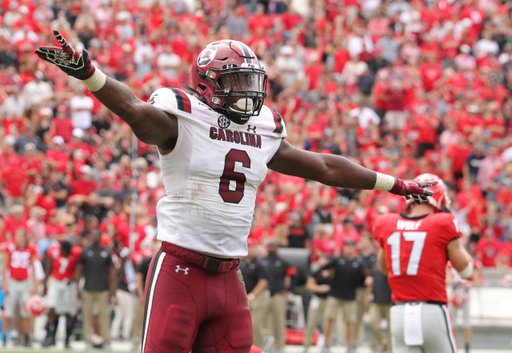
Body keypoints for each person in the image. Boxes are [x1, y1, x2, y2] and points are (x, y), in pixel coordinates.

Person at [36, 33, 436, 353]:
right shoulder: (184, 114)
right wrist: (90, 74)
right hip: (181, 268)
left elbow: (326, 167)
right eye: (237, 80)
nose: (249, 90)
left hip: (230, 276)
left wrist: (396, 185)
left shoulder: (263, 126)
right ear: (208, 84)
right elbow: (137, 113)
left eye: (251, 80)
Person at [372, 174, 474, 353]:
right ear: (440, 198)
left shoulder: (386, 222)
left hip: (399, 313)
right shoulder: (443, 222)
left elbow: (384, 268)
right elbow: (466, 270)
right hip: (432, 310)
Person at [319, 239, 366, 353]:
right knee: (329, 319)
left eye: (351, 246)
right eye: (346, 246)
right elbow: (324, 269)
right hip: (334, 295)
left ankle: (350, 346)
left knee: (350, 322)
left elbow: (363, 281)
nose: (348, 249)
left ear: (354, 248)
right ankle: (326, 344)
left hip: (350, 297)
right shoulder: (337, 260)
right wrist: (322, 264)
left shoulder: (358, 263)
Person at [75, 229, 116, 351]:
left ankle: (106, 341)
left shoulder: (106, 252)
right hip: (87, 288)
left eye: (97, 235)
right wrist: (78, 286)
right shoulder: (85, 252)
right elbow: (79, 269)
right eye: (92, 235)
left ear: (100, 237)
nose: (95, 237)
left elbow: (111, 272)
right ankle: (88, 341)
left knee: (104, 316)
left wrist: (112, 290)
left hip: (103, 289)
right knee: (87, 316)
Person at [1, 228, 38, 347]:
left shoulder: (31, 249)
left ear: (26, 237)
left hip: (25, 282)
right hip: (12, 281)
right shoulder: (9, 248)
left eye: (22, 236)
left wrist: (34, 285)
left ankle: (26, 338)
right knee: (8, 312)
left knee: (25, 312)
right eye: (18, 236)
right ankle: (5, 338)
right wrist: (5, 283)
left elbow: (33, 268)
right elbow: (5, 267)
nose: (20, 239)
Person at [43, 240, 82, 348]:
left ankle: (67, 340)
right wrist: (45, 284)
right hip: (56, 281)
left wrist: (74, 280)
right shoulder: (54, 252)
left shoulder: (76, 253)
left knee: (69, 312)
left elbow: (79, 269)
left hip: (70, 284)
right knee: (52, 309)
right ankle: (49, 337)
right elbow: (49, 267)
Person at [261, 239, 296, 352]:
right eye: (270, 246)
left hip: (278, 294)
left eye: (274, 246)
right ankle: (266, 343)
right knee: (263, 320)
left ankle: (279, 345)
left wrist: (287, 290)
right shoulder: (262, 261)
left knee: (279, 320)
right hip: (265, 294)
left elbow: (291, 276)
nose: (272, 248)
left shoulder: (283, 262)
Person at [446, 260, 483, 353]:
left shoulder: (471, 263)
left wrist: (466, 285)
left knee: (466, 322)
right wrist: (457, 283)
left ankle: (467, 347)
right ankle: (453, 345)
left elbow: (476, 281)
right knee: (452, 321)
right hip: (454, 293)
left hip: (465, 294)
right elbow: (446, 278)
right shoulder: (451, 264)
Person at [239, 239, 269, 350]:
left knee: (255, 323)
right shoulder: (241, 263)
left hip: (258, 296)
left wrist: (252, 295)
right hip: (244, 296)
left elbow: (263, 282)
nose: (248, 249)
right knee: (244, 324)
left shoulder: (259, 263)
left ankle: (259, 348)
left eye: (250, 246)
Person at [303, 256, 332, 353]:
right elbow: (309, 284)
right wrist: (319, 288)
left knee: (328, 322)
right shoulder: (317, 272)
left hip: (329, 300)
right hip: (317, 299)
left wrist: (329, 288)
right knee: (311, 322)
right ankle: (306, 345)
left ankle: (327, 345)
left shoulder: (332, 273)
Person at [366, 262, 393, 353]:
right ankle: (380, 345)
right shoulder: (375, 264)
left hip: (390, 301)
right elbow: (372, 282)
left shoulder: (393, 263)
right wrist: (368, 295)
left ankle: (390, 349)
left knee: (391, 328)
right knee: (373, 323)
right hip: (376, 300)